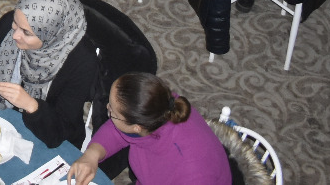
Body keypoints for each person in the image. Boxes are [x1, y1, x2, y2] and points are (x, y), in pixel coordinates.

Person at [0, 0, 148, 154]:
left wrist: (31, 105)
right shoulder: (12, 23)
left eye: (26, 32)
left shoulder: (82, 63)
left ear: (51, 36)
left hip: (47, 131)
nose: (15, 35)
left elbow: (61, 129)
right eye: (16, 24)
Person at [64, 73, 231, 185]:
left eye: (112, 111)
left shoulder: (192, 172)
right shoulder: (158, 106)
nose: (107, 108)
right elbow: (117, 130)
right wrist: (91, 155)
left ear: (137, 127)